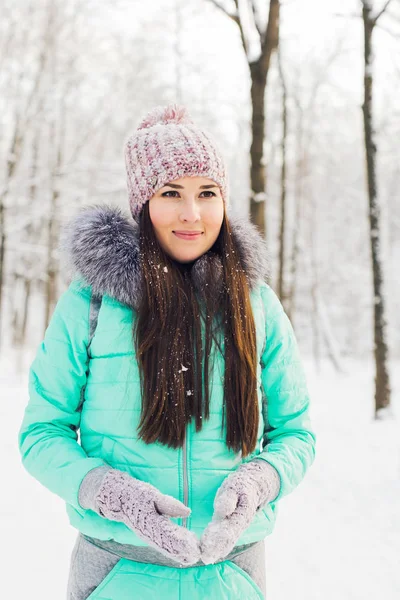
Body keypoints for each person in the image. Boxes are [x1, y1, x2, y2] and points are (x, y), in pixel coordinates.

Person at [18, 104, 316, 599]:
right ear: (142, 205)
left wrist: (262, 480)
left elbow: (296, 433)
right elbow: (41, 432)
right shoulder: (92, 304)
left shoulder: (256, 304)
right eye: (171, 193)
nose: (191, 214)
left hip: (232, 572)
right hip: (116, 571)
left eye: (207, 193)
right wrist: (109, 493)